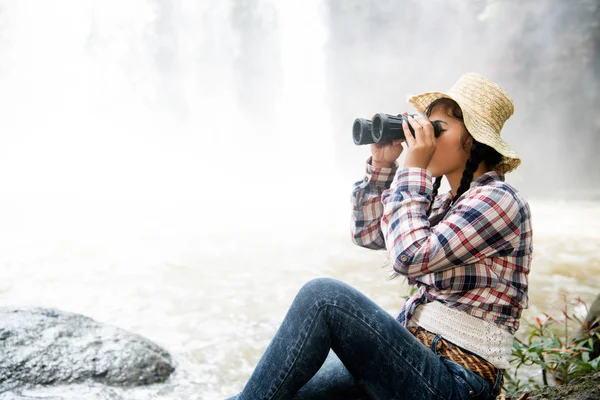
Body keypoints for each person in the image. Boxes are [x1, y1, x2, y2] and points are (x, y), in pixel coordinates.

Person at [226, 72, 532, 400]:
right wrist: (382, 164)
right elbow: (369, 233)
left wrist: (414, 169)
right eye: (423, 126)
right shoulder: (447, 202)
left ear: (471, 140)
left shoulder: (498, 200)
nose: (423, 137)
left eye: (437, 129)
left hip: (456, 383)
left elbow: (409, 255)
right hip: (420, 360)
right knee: (283, 392)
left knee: (323, 297)